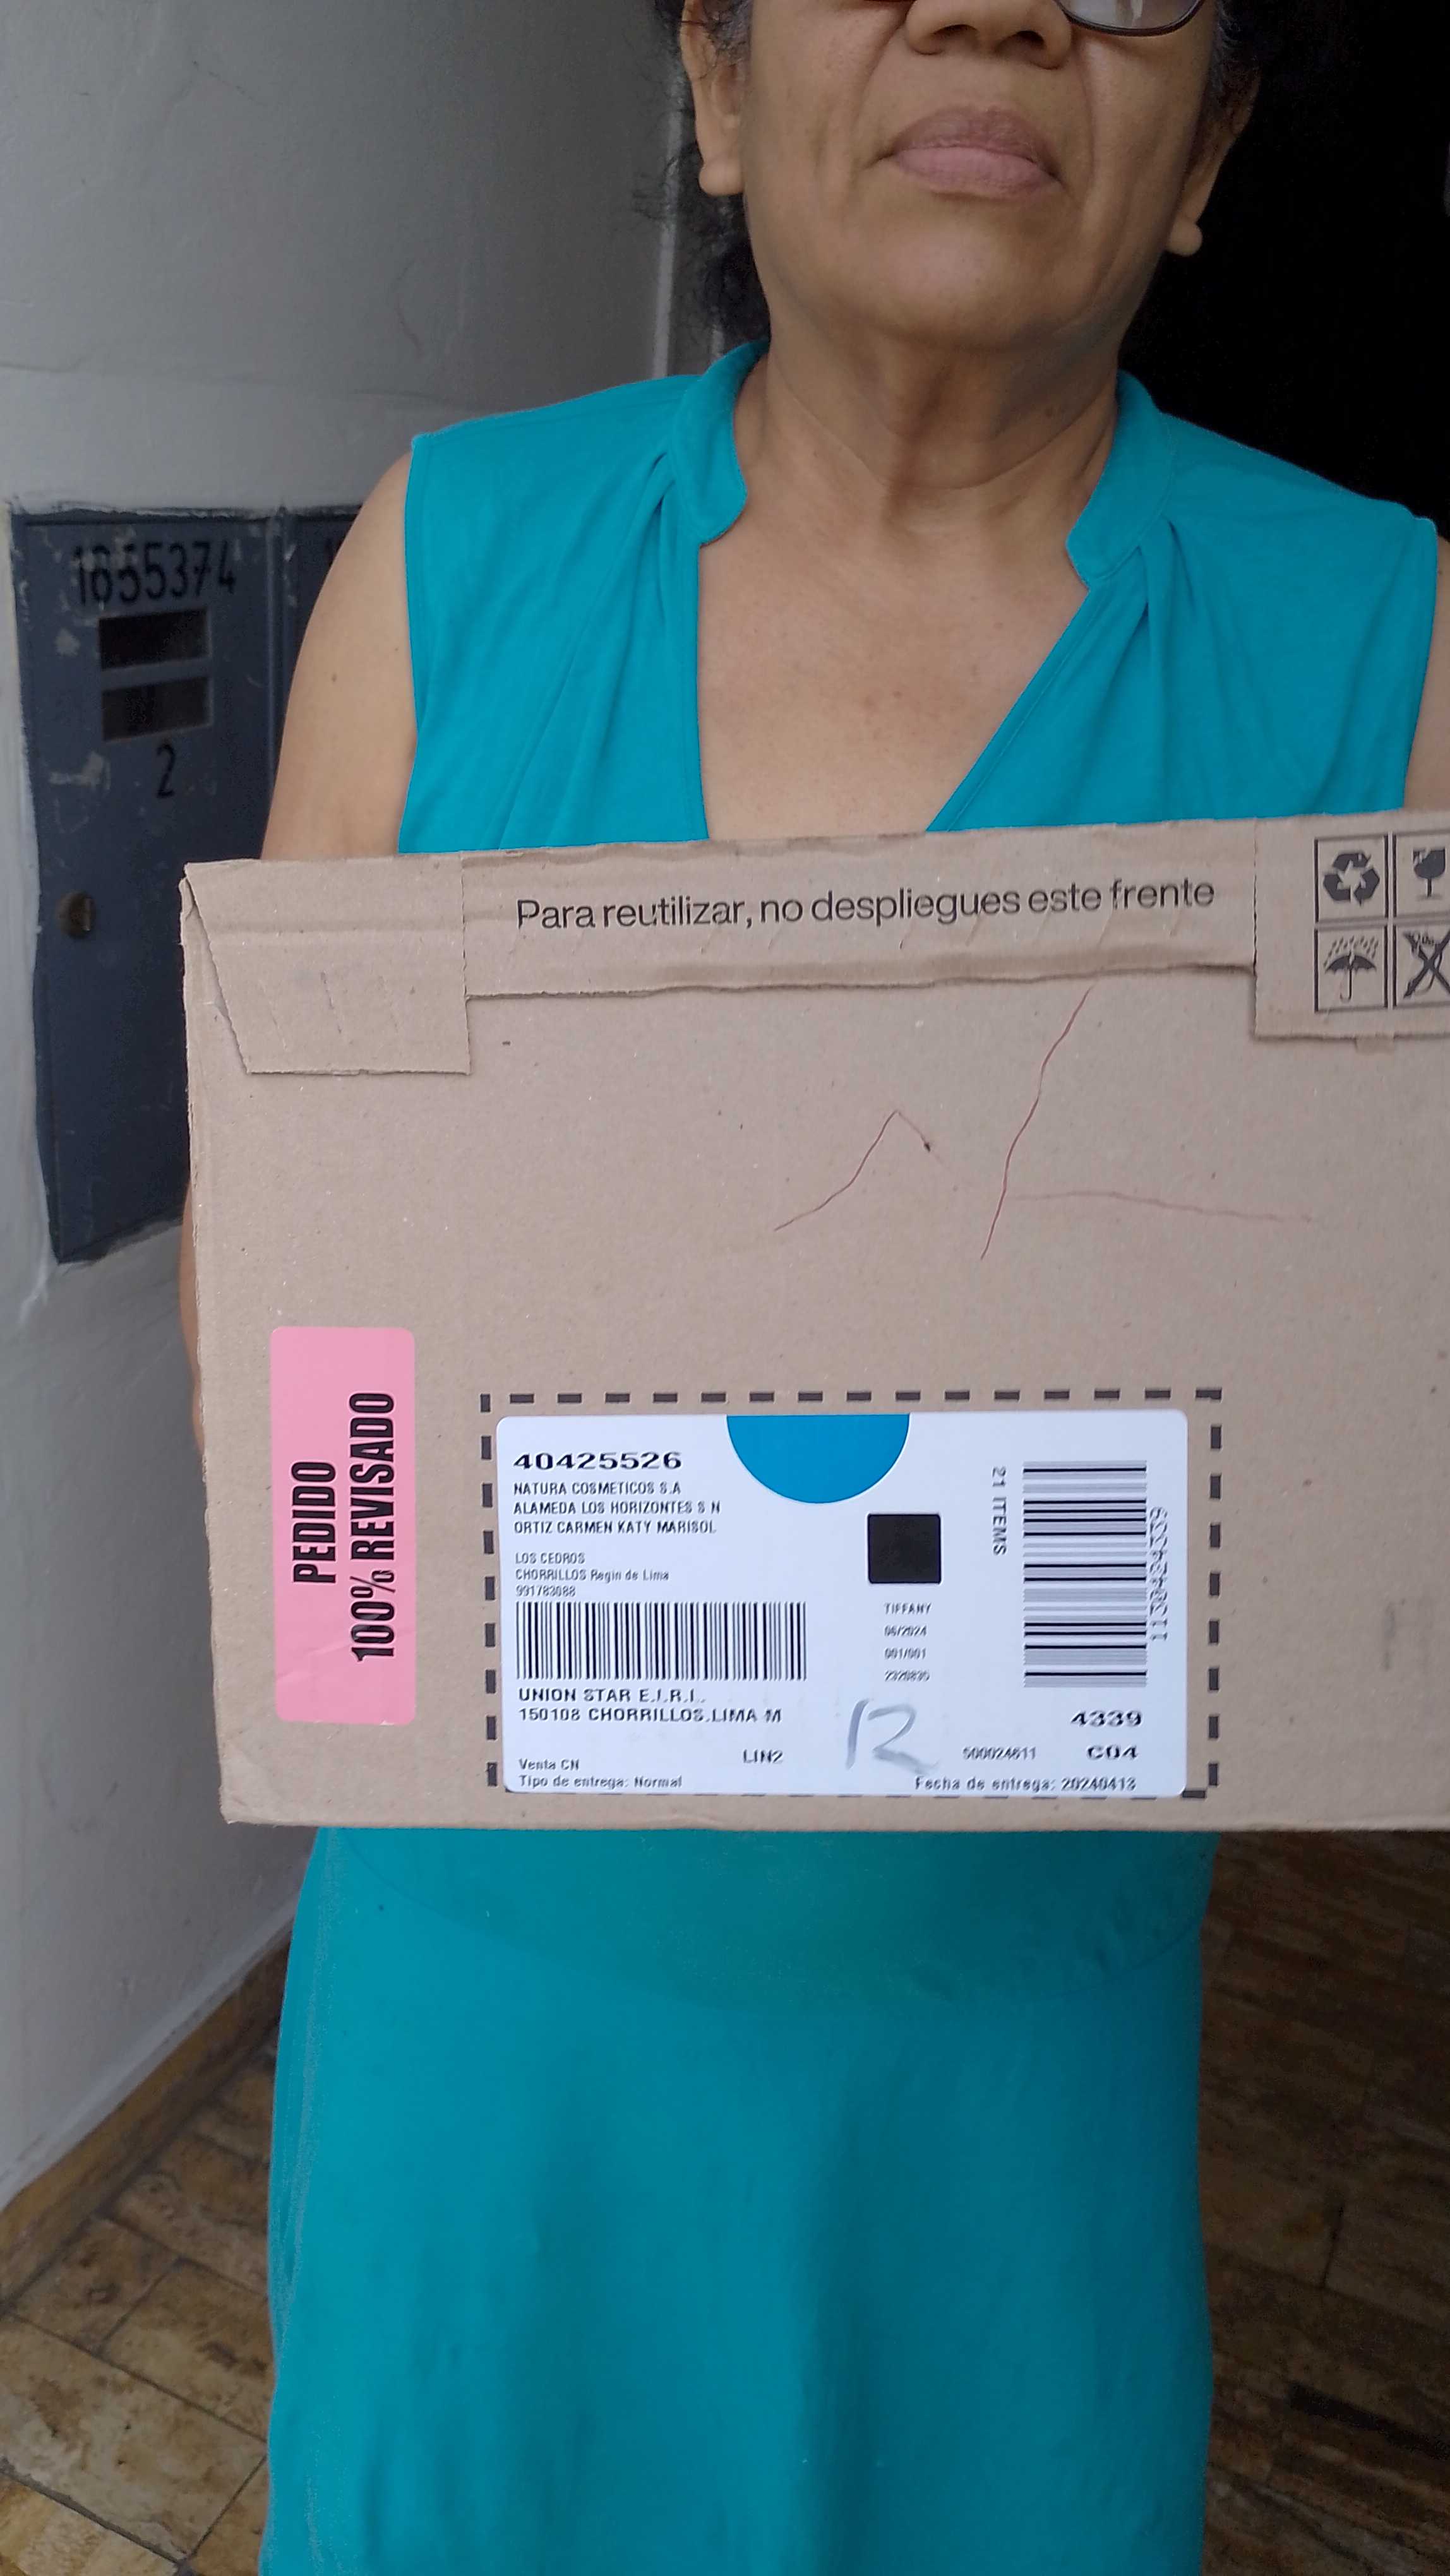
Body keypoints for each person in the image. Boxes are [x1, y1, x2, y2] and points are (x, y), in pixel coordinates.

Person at [184, 2, 1450, 2567]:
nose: (995, 10)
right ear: (720, 83)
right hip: (490, 2064)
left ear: (1207, 143)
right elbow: (290, 1336)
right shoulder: (450, 568)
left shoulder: (1385, 645)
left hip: (996, 2107)